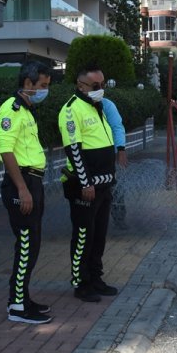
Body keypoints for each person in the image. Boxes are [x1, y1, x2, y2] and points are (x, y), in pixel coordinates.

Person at [0, 61, 53, 325]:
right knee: (26, 245)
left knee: (32, 246)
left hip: (33, 182)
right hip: (22, 183)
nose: (45, 91)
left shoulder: (27, 111)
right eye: (42, 86)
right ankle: (17, 306)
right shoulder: (11, 109)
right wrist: (22, 188)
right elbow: (7, 152)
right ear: (28, 84)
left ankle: (22, 298)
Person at [59, 65, 118, 302]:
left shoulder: (96, 107)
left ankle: (95, 278)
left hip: (103, 185)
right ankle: (80, 283)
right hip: (85, 187)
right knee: (83, 235)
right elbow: (74, 151)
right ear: (81, 86)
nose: (101, 89)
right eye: (96, 86)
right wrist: (86, 184)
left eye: (103, 84)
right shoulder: (71, 110)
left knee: (99, 235)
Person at [101, 81, 128, 229]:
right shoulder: (76, 107)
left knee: (114, 188)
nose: (99, 90)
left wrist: (121, 149)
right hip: (87, 157)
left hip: (108, 156)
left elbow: (117, 127)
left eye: (101, 86)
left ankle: (119, 219)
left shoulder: (107, 105)